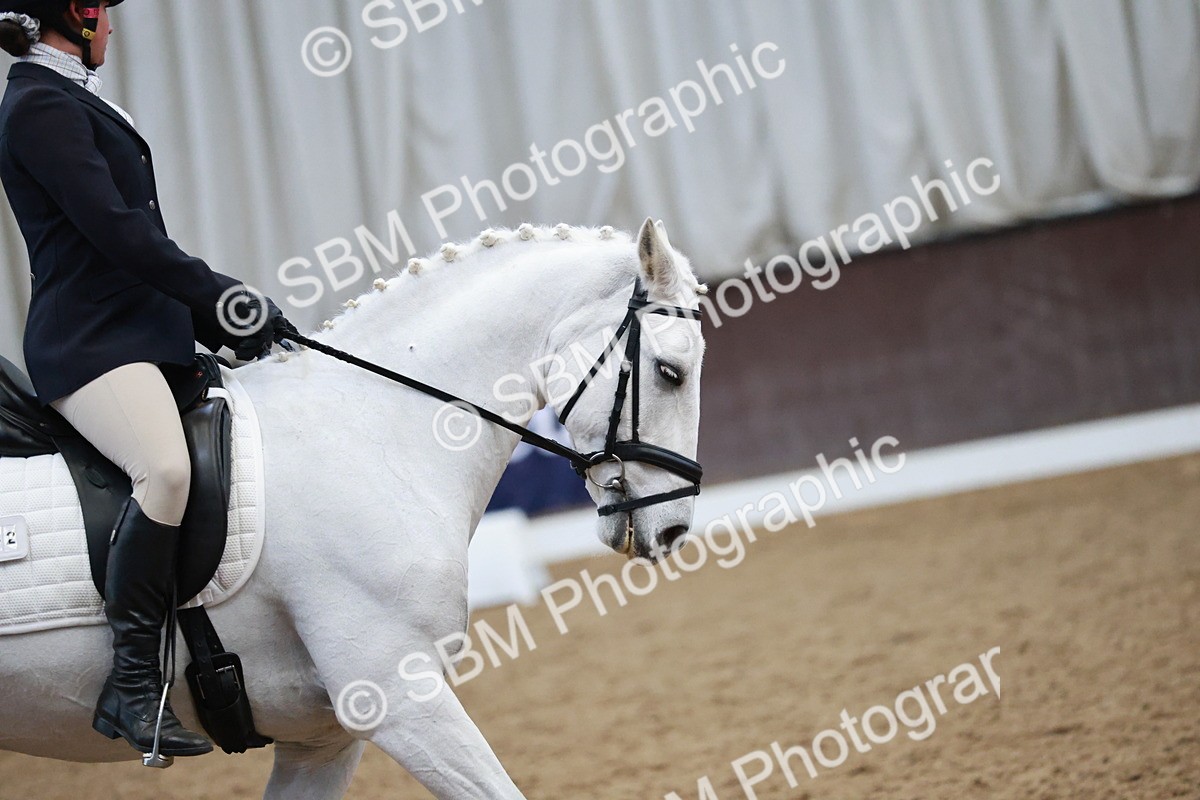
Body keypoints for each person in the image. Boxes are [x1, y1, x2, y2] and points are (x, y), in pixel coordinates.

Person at [0, 0, 296, 759]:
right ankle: (131, 686)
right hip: (88, 346)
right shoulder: (37, 104)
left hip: (137, 334)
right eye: (104, 9)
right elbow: (121, 236)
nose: (113, 22)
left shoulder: (72, 96)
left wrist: (210, 323)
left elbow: (135, 246)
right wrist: (224, 299)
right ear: (75, 12)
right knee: (163, 470)